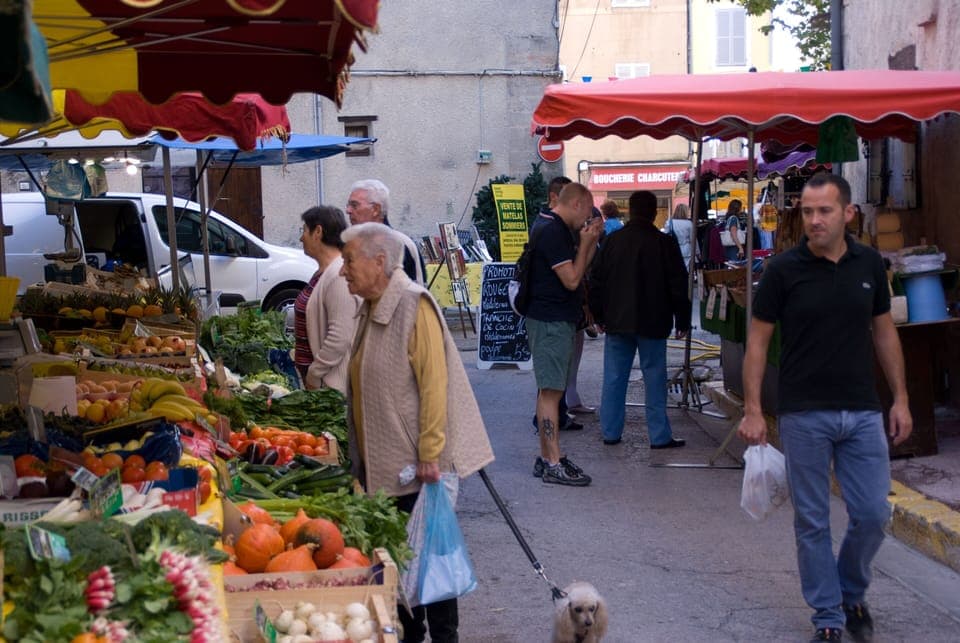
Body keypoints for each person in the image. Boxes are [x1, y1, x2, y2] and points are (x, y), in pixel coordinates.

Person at [738, 173, 912, 643]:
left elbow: (884, 332)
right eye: (808, 212)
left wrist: (901, 399)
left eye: (824, 211)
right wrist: (753, 408)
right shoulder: (782, 271)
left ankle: (850, 590)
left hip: (861, 409)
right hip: (803, 413)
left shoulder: (870, 265)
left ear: (848, 213)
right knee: (812, 520)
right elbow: (757, 343)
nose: (813, 220)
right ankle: (829, 618)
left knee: (874, 512)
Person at [340, 222, 494, 643]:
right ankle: (409, 635)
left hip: (415, 465)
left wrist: (430, 453)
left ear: (380, 261)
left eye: (349, 261)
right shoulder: (371, 307)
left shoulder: (413, 304)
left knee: (431, 568)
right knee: (401, 568)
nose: (342, 271)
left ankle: (444, 638)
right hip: (384, 465)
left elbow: (434, 384)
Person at [589, 190, 690, 449]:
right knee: (655, 379)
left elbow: (596, 281)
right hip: (654, 321)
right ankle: (659, 436)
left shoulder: (612, 242)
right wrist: (683, 320)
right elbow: (678, 284)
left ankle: (610, 432)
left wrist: (598, 315)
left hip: (617, 321)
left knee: (613, 378)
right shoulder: (664, 243)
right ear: (654, 212)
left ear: (630, 211)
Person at [526, 182, 602, 486]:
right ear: (578, 205)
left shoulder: (549, 225)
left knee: (549, 390)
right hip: (550, 321)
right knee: (551, 392)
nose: (587, 217)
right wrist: (585, 245)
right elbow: (572, 279)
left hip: (550, 319)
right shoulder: (553, 231)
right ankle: (553, 460)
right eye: (587, 209)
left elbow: (576, 272)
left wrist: (590, 243)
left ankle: (547, 458)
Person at [294, 205, 359, 395]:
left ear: (318, 232)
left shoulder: (339, 274)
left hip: (332, 387)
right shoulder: (324, 272)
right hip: (321, 384)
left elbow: (340, 336)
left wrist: (314, 374)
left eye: (304, 230)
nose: (301, 237)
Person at [345, 179, 427, 284]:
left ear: (375, 209)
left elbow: (418, 293)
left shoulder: (402, 244)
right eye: (348, 205)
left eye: (354, 205)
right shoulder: (351, 244)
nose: (348, 211)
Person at [664, 202, 696, 270]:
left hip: (673, 250)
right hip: (687, 251)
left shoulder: (669, 223)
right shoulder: (689, 223)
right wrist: (697, 253)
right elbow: (693, 240)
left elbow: (665, 238)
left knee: (674, 270)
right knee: (686, 271)